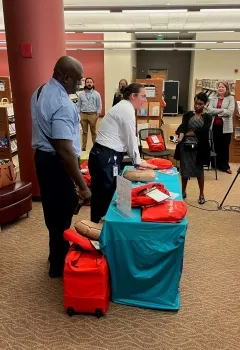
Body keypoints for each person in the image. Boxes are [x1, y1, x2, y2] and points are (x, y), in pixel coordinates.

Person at [31, 56, 91, 278]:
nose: (80, 84)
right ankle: (58, 265)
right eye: (77, 80)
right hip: (58, 163)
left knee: (52, 209)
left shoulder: (38, 92)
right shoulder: (63, 104)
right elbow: (65, 150)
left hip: (43, 159)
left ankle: (53, 254)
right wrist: (83, 186)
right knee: (64, 211)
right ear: (65, 77)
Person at [88, 83, 156, 223]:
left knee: (104, 193)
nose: (145, 100)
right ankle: (98, 228)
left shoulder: (124, 107)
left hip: (104, 155)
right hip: (105, 156)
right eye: (143, 96)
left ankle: (98, 225)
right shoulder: (126, 109)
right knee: (104, 194)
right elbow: (131, 137)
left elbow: (129, 137)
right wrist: (137, 161)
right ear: (133, 96)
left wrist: (136, 159)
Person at [174, 92, 212, 204]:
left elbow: (204, 131)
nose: (197, 106)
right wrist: (181, 137)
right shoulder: (188, 114)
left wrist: (189, 133)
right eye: (196, 103)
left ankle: (201, 194)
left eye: (200, 104)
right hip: (185, 146)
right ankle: (183, 192)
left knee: (199, 171)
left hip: (199, 147)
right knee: (184, 170)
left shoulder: (208, 117)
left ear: (205, 104)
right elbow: (183, 127)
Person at [207, 81, 235, 174]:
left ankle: (225, 166)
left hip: (226, 127)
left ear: (226, 88)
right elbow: (209, 110)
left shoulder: (231, 98)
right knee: (215, 146)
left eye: (223, 87)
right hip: (214, 126)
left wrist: (217, 111)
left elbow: (230, 112)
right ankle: (215, 164)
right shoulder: (213, 98)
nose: (221, 88)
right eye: (219, 87)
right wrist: (223, 110)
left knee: (224, 147)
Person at [77, 77, 102, 150]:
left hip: (92, 115)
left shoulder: (96, 94)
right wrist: (79, 114)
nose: (89, 83)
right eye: (87, 82)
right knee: (84, 132)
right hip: (83, 114)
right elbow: (78, 105)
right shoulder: (81, 94)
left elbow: (99, 105)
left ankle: (95, 147)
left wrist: (97, 115)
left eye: (90, 82)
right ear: (85, 83)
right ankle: (83, 147)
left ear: (93, 83)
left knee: (93, 132)